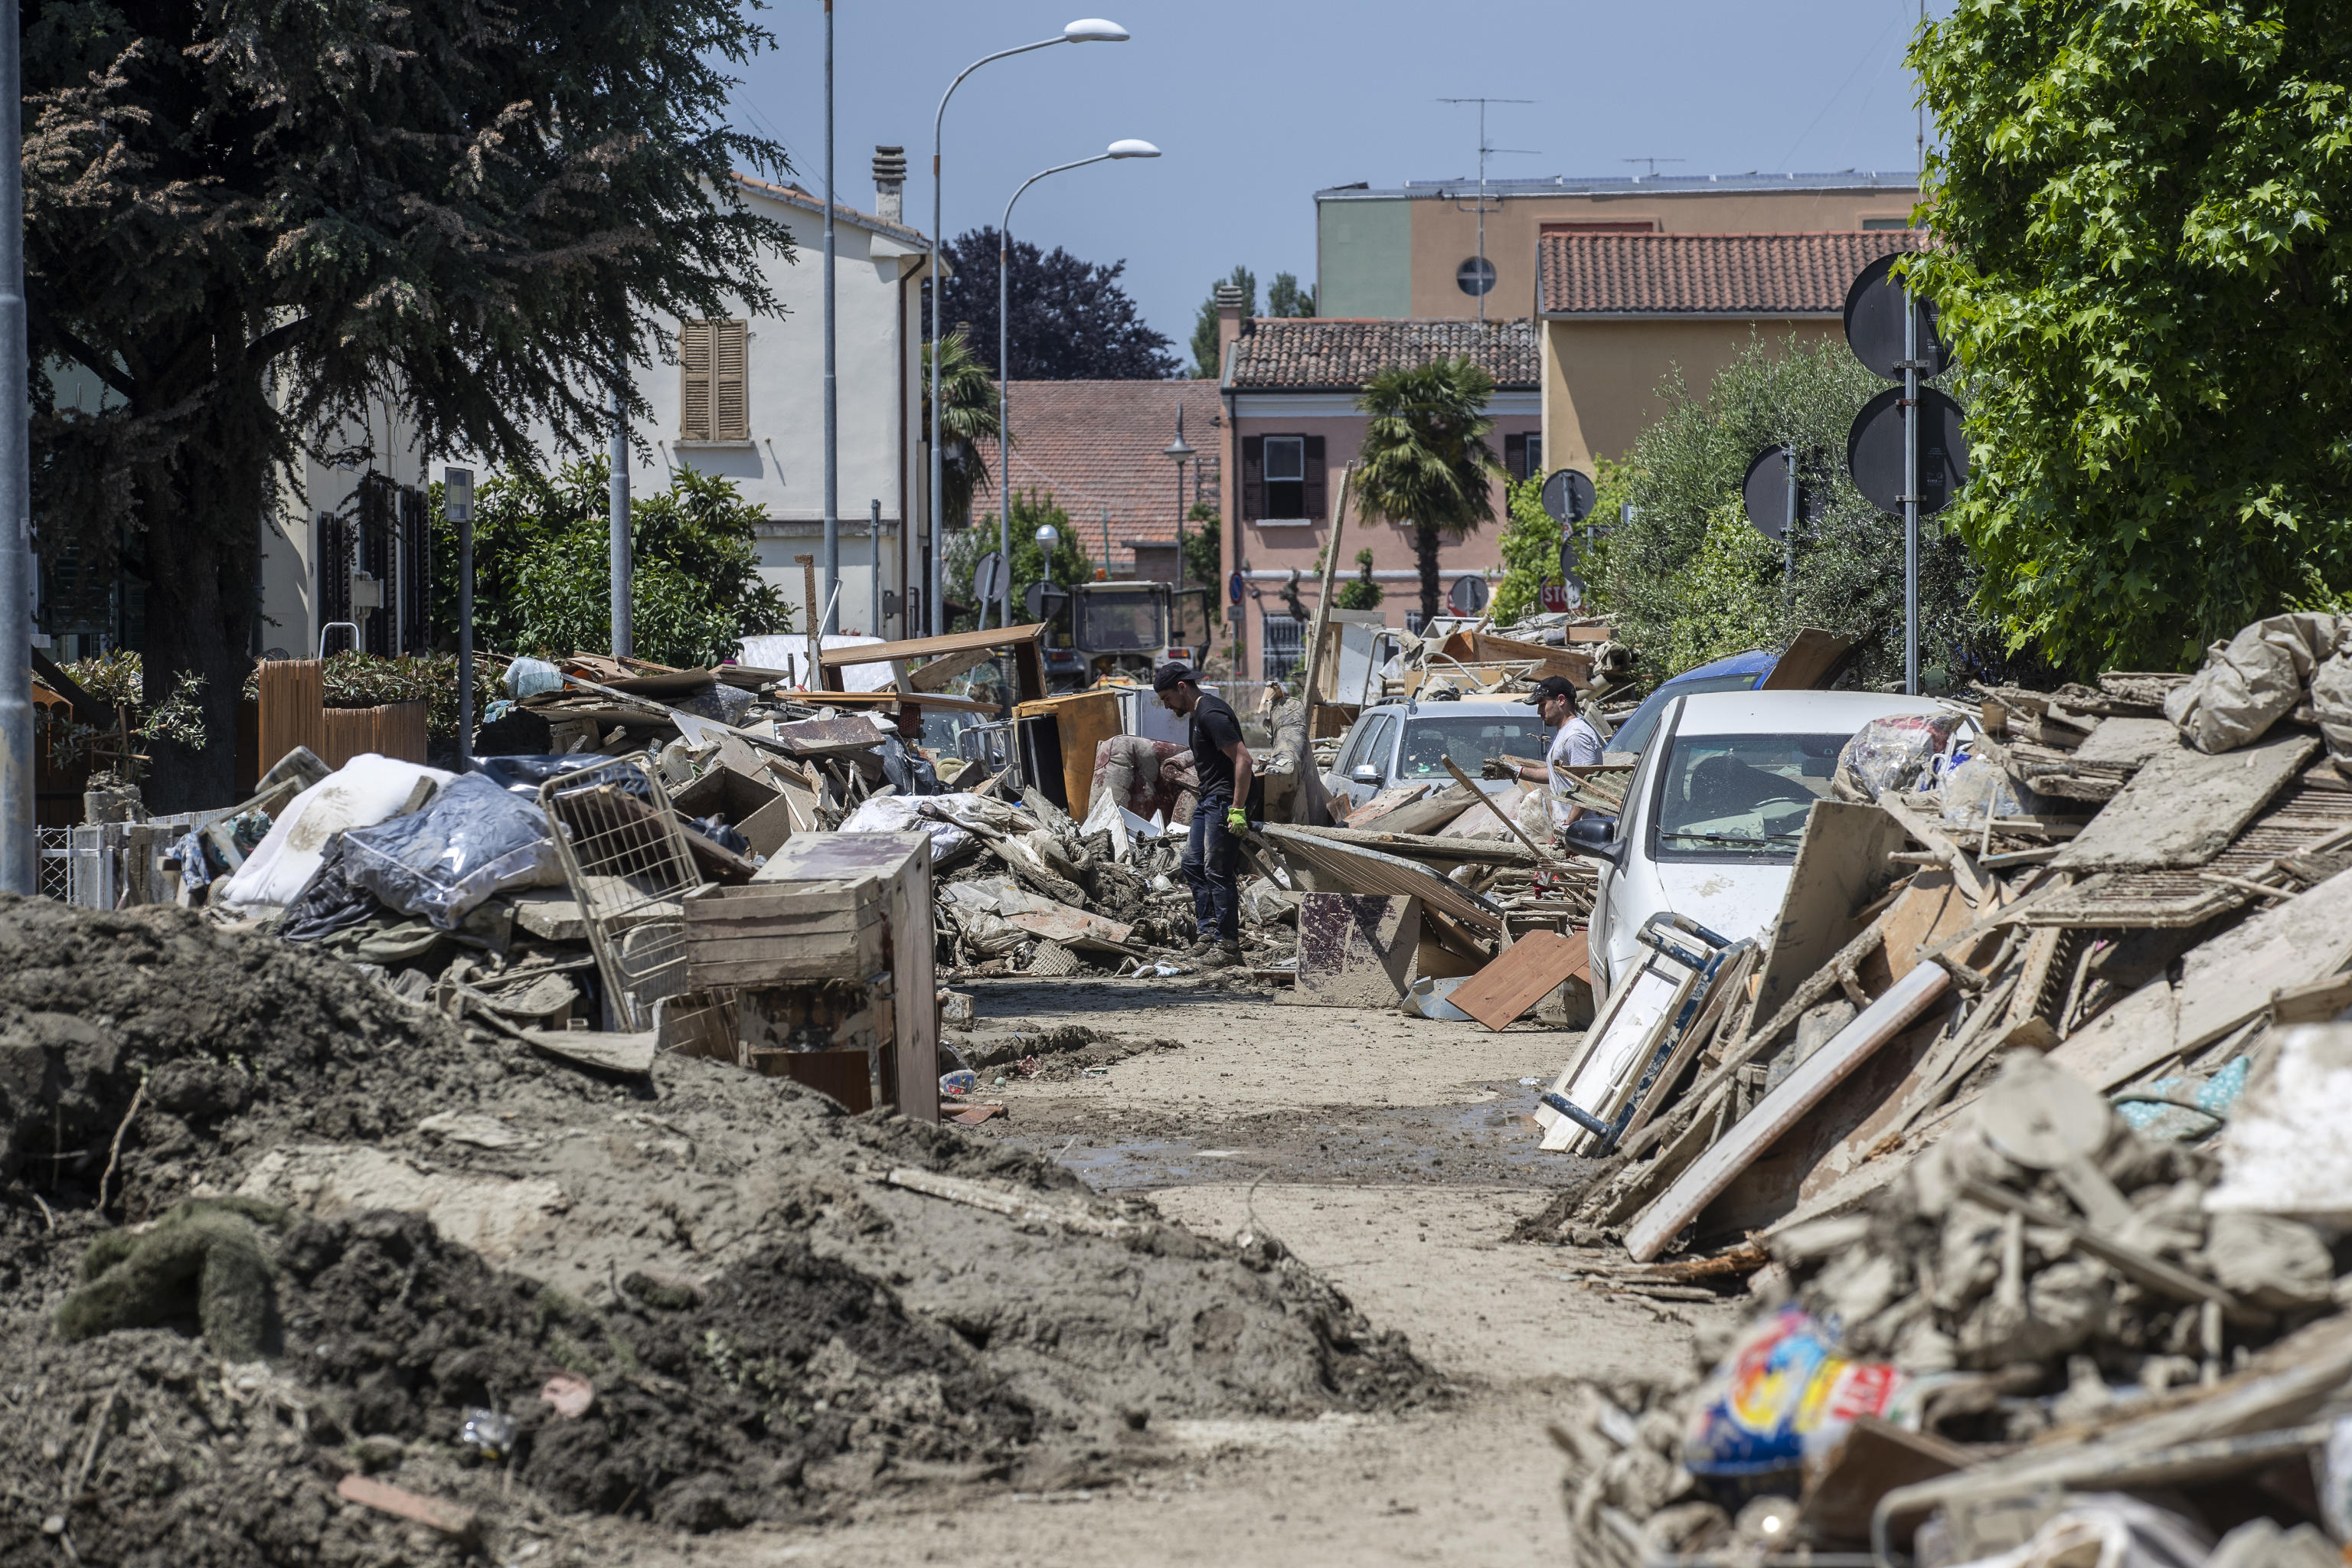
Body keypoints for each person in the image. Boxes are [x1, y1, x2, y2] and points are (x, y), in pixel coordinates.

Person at [1154, 661, 1256, 969]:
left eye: (1167, 698)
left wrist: (1237, 809)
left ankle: (1228, 946)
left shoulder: (1211, 714)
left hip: (1224, 802)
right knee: (1192, 863)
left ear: (1182, 687)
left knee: (1217, 870)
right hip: (1208, 799)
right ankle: (1208, 933)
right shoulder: (1198, 714)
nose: (1168, 706)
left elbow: (1244, 759)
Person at [1504, 675, 1605, 832]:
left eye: (1542, 704)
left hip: (1584, 830)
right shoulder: (1565, 732)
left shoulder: (1576, 735)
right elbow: (1558, 773)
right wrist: (1516, 771)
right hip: (1573, 828)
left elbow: (1587, 785)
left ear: (1561, 700)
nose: (1539, 711)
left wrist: (1568, 825)